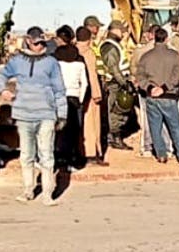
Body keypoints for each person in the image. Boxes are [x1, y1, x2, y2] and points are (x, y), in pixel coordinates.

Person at [0, 35, 65, 205]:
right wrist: (2, 90)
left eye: (41, 42)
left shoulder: (51, 62)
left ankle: (48, 193)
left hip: (46, 114)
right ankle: (28, 189)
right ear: (28, 41)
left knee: (46, 154)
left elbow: (59, 89)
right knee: (26, 154)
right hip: (24, 115)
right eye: (36, 42)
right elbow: (1, 75)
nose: (39, 45)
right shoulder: (18, 61)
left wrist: (62, 113)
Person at [135, 27, 179, 164]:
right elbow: (176, 76)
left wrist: (150, 87)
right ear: (166, 39)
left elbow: (140, 77)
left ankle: (161, 154)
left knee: (155, 127)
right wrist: (164, 88)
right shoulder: (174, 55)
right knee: (175, 127)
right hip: (169, 96)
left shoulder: (146, 57)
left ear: (154, 38)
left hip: (152, 96)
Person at [53, 32, 90, 170]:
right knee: (73, 131)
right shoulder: (79, 62)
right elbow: (84, 83)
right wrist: (80, 99)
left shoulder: (56, 61)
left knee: (57, 130)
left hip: (58, 97)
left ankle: (57, 159)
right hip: (74, 98)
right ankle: (71, 160)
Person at [74, 26, 106, 167]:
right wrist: (97, 93)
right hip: (89, 93)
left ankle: (80, 151)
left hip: (75, 93)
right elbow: (92, 75)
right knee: (92, 123)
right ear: (88, 39)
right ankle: (92, 153)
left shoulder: (72, 51)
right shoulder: (89, 53)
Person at [98, 21, 133, 151]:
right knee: (116, 111)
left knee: (116, 110)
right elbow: (113, 68)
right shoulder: (110, 47)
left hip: (115, 82)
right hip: (114, 83)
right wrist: (124, 83)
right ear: (115, 30)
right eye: (122, 31)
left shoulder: (113, 45)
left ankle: (113, 137)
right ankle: (115, 138)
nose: (124, 34)